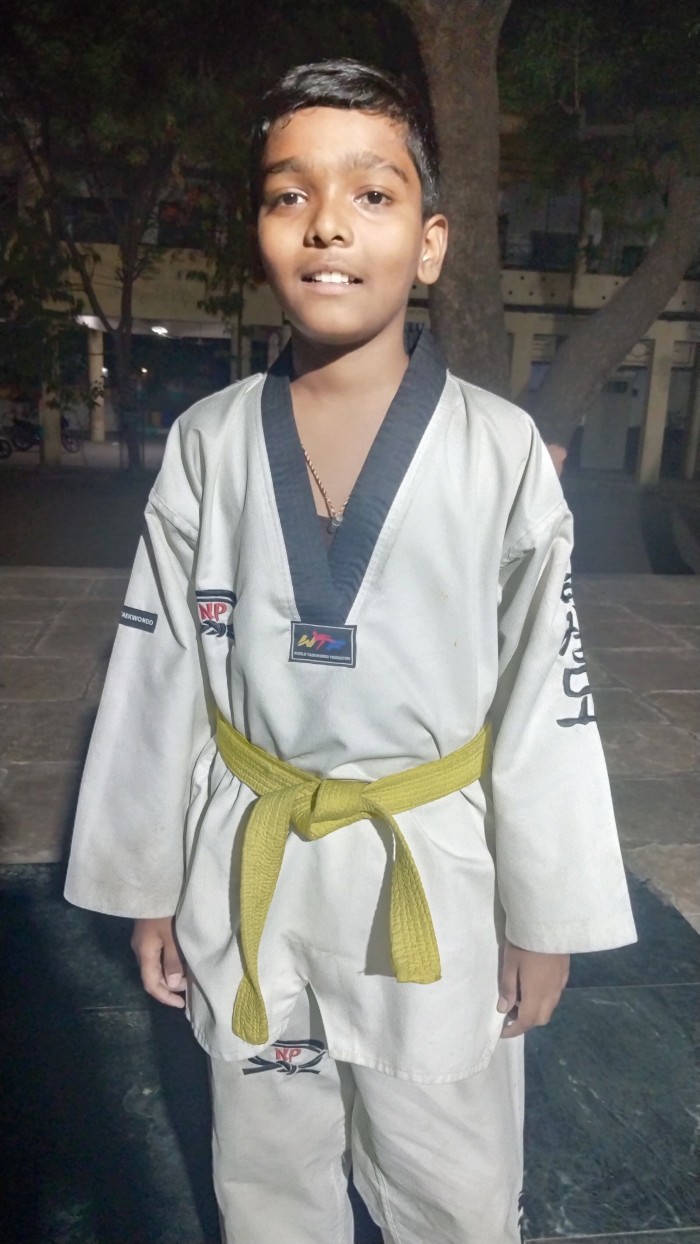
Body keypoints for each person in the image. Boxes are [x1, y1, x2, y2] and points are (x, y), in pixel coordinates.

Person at [65, 59, 636, 1244]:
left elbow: (547, 696)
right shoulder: (209, 443)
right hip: (251, 860)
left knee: (454, 1185)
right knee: (269, 1180)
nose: (327, 223)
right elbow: (157, 677)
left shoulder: (500, 452)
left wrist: (545, 914)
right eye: (291, 194)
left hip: (430, 867)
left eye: (371, 194)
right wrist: (148, 885)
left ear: (429, 244)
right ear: (261, 233)